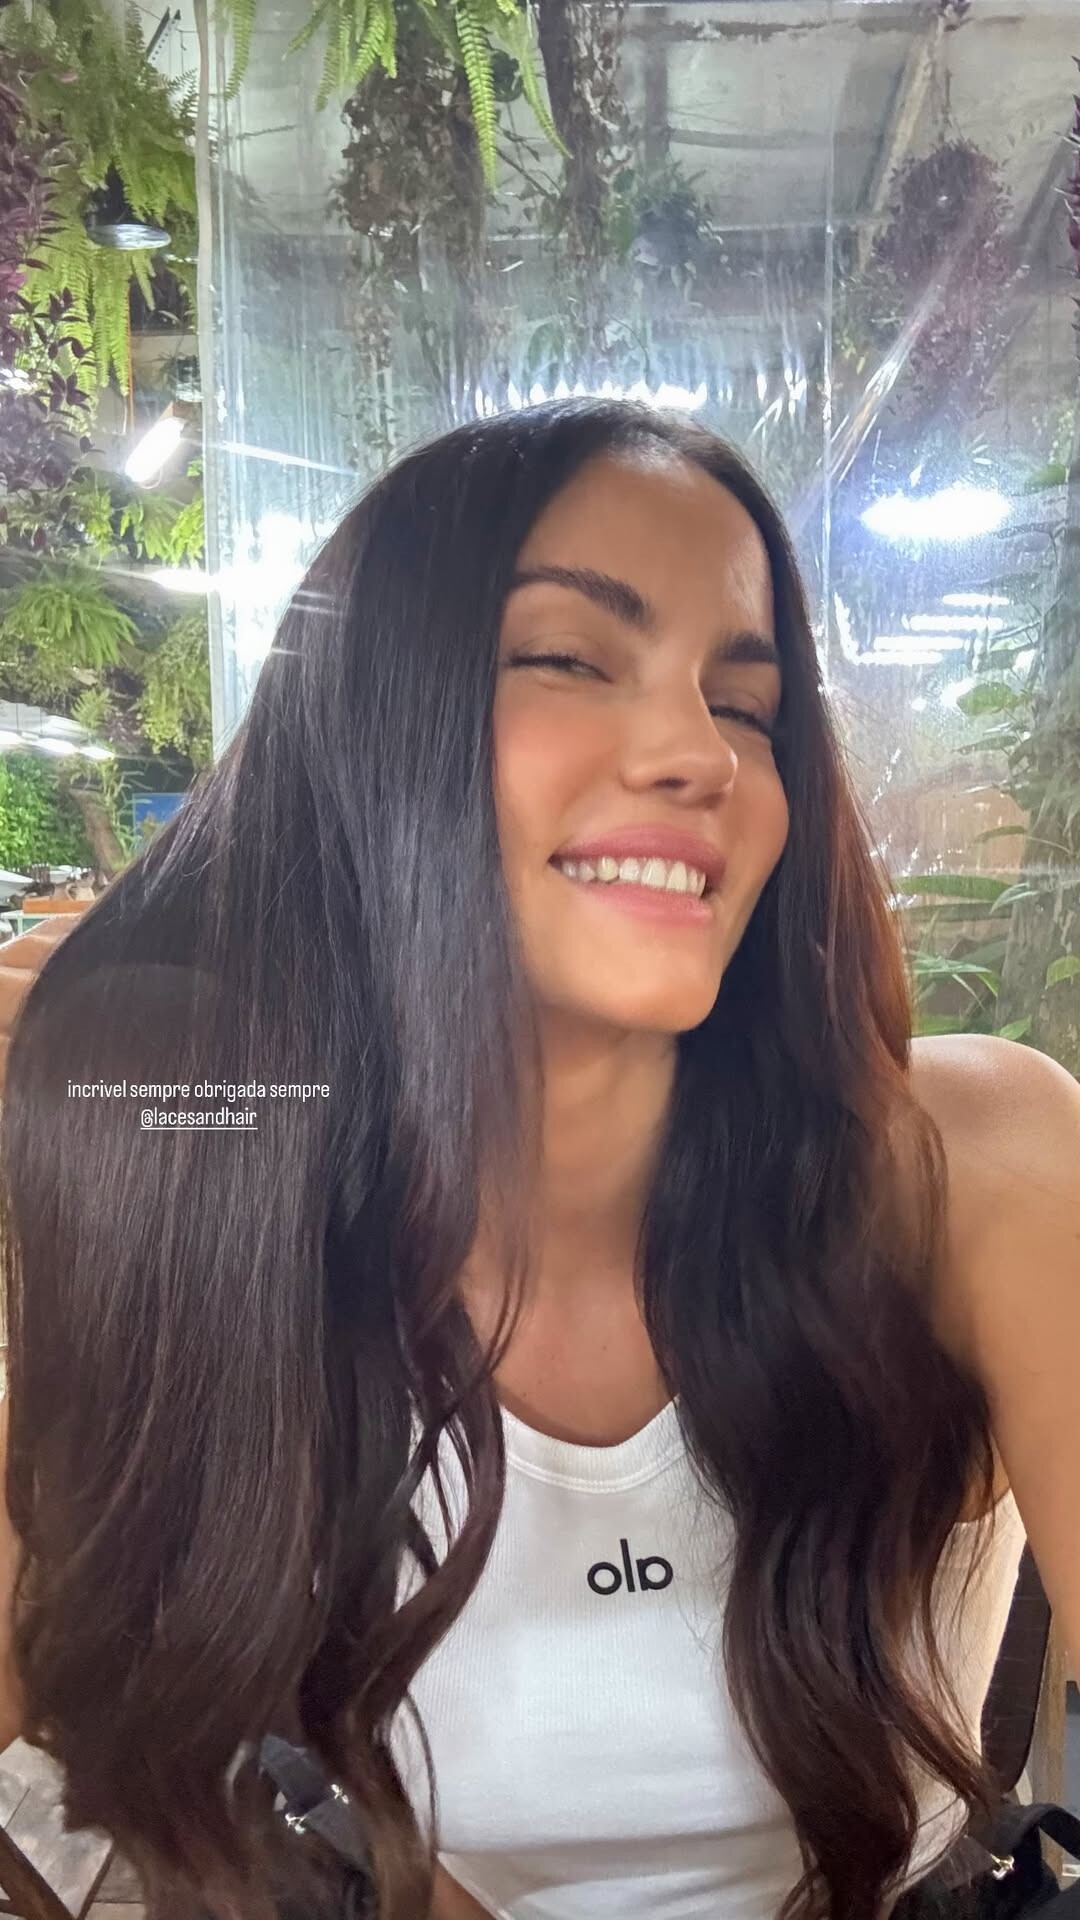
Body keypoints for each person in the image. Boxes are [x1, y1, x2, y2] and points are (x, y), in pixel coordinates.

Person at [0, 398, 1077, 1920]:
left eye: (747, 704)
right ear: (372, 731)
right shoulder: (227, 1199)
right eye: (569, 658)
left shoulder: (968, 1165)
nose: (703, 755)